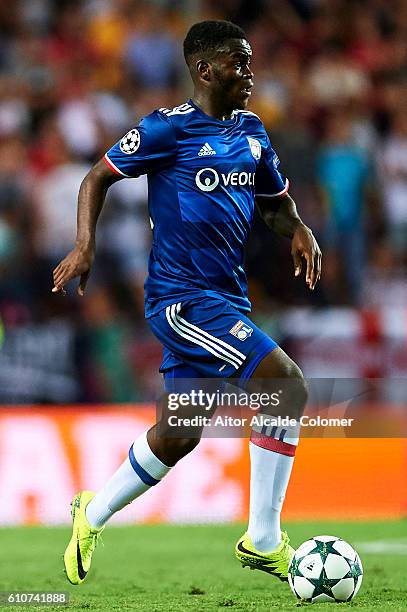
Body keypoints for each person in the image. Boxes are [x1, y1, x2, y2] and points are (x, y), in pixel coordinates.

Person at [52, 20, 321, 586]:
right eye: (238, 62)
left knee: (180, 432)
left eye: (249, 61)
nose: (249, 73)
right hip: (182, 300)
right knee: (286, 383)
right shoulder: (165, 130)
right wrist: (85, 244)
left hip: (228, 297)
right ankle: (264, 539)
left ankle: (89, 513)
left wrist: (297, 228)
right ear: (205, 69)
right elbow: (96, 178)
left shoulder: (252, 131)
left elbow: (274, 202)